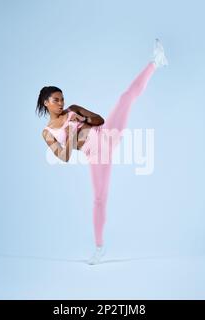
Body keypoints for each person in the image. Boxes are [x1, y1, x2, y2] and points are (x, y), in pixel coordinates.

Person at [37, 39, 168, 265]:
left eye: (62, 98)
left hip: (107, 134)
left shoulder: (72, 109)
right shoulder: (48, 132)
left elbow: (99, 120)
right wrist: (71, 133)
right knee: (99, 199)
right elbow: (64, 156)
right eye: (56, 100)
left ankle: (156, 62)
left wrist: (83, 118)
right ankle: (99, 248)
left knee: (125, 98)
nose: (61, 103)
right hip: (97, 156)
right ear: (46, 103)